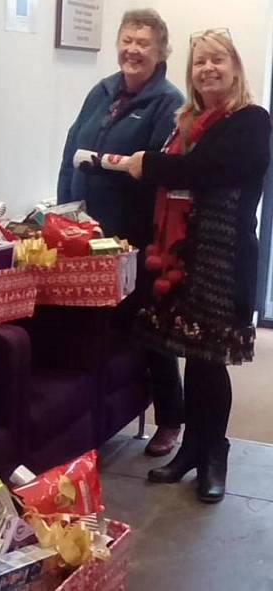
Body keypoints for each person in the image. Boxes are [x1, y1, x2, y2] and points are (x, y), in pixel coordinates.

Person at [126, 29, 271, 503]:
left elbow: (202, 171)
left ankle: (214, 456)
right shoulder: (186, 121)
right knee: (193, 355)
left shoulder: (251, 120)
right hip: (182, 252)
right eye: (199, 62)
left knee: (212, 361)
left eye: (217, 60)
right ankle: (191, 450)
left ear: (235, 67)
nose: (207, 69)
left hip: (223, 257)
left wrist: (147, 163)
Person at [57, 9, 185, 456]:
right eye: (127, 40)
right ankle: (98, 417)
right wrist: (62, 215)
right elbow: (71, 149)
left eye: (143, 43)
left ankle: (170, 419)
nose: (132, 50)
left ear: (161, 51)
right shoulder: (103, 90)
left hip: (135, 239)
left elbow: (159, 171)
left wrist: (110, 165)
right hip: (85, 237)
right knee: (96, 329)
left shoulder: (169, 102)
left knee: (149, 330)